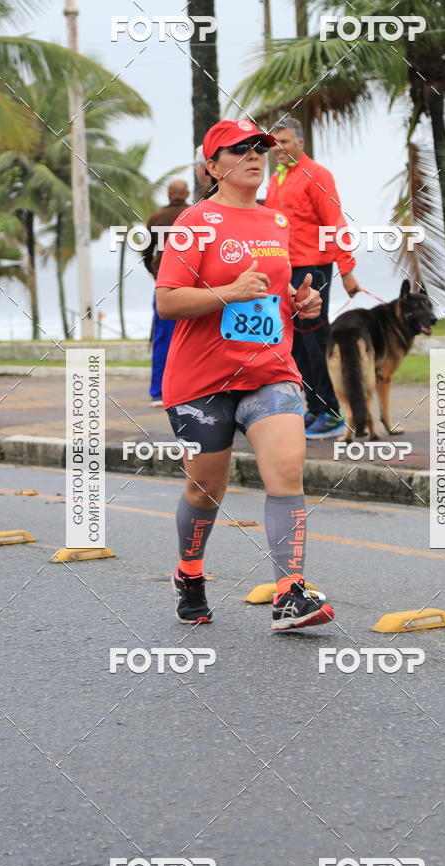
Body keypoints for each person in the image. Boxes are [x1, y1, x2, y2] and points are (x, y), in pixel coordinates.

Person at [155, 119, 335, 632]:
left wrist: (301, 304)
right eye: (240, 149)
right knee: (205, 490)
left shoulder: (277, 221)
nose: (256, 155)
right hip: (202, 380)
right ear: (213, 167)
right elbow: (167, 302)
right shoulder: (194, 222)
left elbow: (275, 293)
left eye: (260, 147)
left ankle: (289, 593)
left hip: (270, 369)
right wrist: (227, 294)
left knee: (287, 473)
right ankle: (190, 573)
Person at [264, 116, 362, 438]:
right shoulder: (276, 179)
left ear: (300, 142)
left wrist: (347, 270)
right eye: (274, 143)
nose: (278, 148)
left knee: (315, 340)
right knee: (294, 344)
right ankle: (315, 407)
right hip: (284, 269)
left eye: (284, 141)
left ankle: (332, 413)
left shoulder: (317, 175)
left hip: (313, 268)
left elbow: (335, 222)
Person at [143, 178, 190, 406]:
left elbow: (146, 251)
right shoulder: (194, 214)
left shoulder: (156, 218)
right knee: (193, 337)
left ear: (169, 194)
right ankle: (188, 389)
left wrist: (155, 273)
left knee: (162, 338)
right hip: (192, 285)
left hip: (165, 284)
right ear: (186, 193)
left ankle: (158, 392)